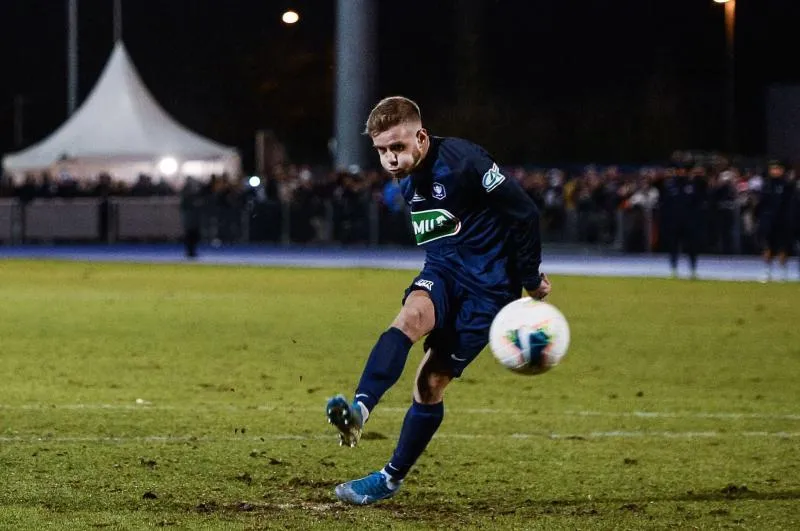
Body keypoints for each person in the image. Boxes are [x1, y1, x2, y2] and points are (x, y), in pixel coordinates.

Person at [325, 96, 551, 505]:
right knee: (408, 318)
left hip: (490, 289)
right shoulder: (406, 176)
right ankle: (359, 410)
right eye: (381, 151)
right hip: (443, 270)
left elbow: (524, 212)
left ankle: (389, 479)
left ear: (421, 137)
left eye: (397, 147)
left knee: (430, 384)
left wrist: (530, 279)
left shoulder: (464, 161)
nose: (390, 159)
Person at [657, 162, 707, 279]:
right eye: (679, 170)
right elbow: (664, 204)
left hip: (689, 222)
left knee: (692, 247)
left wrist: (696, 220)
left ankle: (693, 270)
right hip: (674, 222)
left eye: (683, 170)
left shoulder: (693, 185)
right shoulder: (670, 185)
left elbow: (699, 201)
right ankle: (674, 270)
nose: (681, 172)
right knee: (673, 246)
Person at [756, 160, 796, 282]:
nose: (775, 171)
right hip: (768, 221)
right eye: (773, 169)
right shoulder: (766, 185)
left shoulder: (787, 185)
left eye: (777, 169)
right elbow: (761, 203)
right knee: (767, 246)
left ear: (782, 170)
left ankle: (783, 273)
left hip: (783, 221)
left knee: (783, 247)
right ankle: (767, 272)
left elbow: (791, 203)